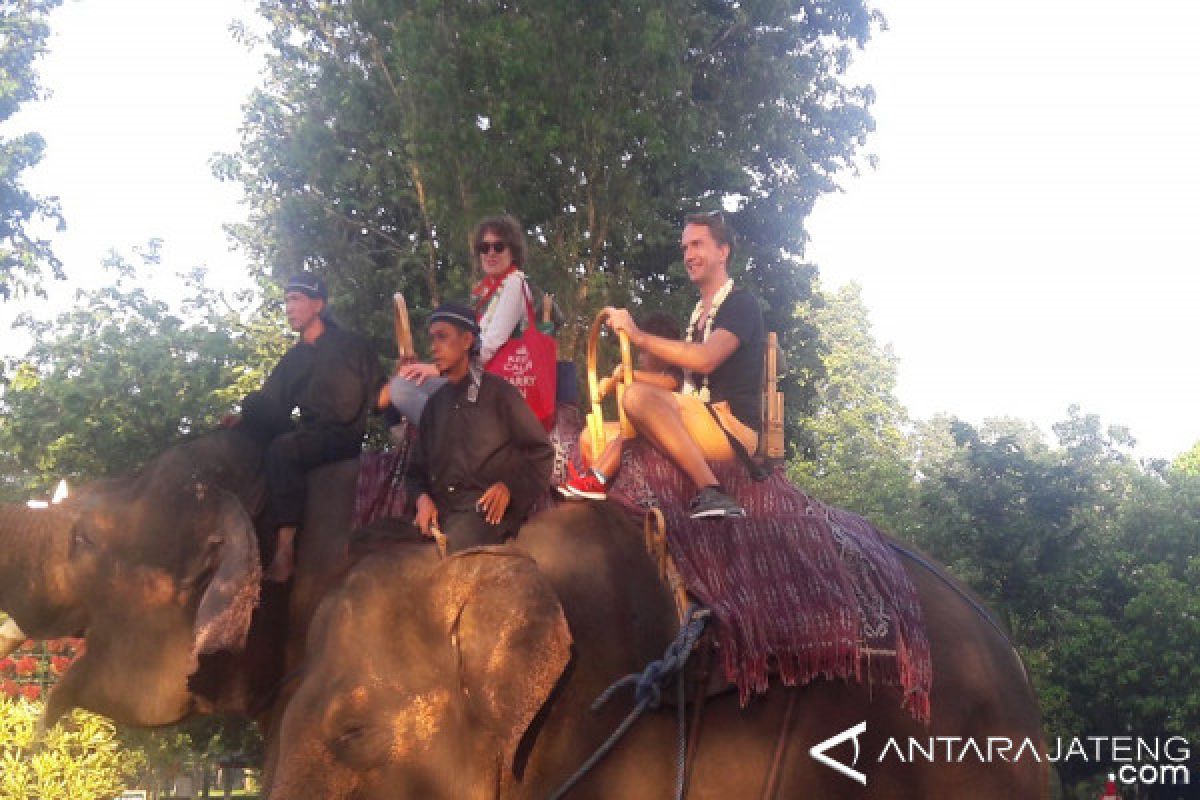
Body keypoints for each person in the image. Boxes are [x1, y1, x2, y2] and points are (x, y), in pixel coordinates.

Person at [603, 213, 763, 519]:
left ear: (723, 251)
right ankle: (594, 484)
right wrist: (625, 375)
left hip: (731, 426)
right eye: (685, 248)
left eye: (697, 245)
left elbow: (706, 359)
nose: (689, 255)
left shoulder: (741, 305)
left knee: (636, 397)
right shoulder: (697, 315)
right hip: (697, 415)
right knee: (591, 437)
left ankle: (713, 492)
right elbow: (673, 382)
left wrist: (637, 336)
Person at [229, 274, 384, 581]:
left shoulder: (352, 345)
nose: (288, 308)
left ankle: (285, 550)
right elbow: (272, 403)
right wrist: (245, 418)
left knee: (283, 449)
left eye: (295, 299)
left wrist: (402, 394)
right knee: (253, 404)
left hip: (341, 435)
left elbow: (379, 394)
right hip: (307, 431)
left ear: (318, 304)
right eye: (286, 301)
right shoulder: (294, 358)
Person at [405, 302, 554, 552]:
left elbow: (541, 453)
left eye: (442, 337)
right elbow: (415, 472)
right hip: (441, 515)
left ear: (466, 341)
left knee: (452, 554)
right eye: (432, 338)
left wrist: (510, 487)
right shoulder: (434, 405)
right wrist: (422, 499)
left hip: (485, 516)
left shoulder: (500, 394)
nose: (433, 347)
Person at [387, 215, 534, 423]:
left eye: (498, 247)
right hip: (474, 378)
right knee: (405, 382)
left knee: (402, 388)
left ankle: (452, 436)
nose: (491, 253)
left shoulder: (514, 284)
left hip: (493, 384)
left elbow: (488, 345)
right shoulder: (485, 292)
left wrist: (438, 369)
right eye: (485, 248)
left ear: (513, 251)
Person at [558, 311, 682, 499]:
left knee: (626, 436)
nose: (640, 358)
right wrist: (611, 383)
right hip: (647, 426)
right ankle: (592, 474)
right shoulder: (652, 377)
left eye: (644, 352)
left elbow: (670, 384)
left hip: (670, 427)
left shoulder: (674, 372)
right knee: (613, 436)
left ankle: (599, 478)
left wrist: (631, 375)